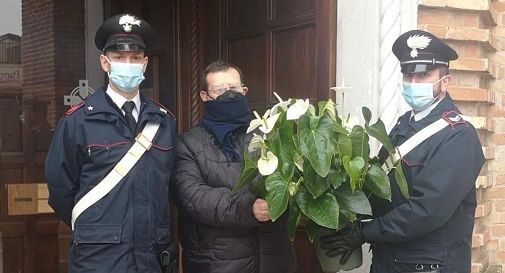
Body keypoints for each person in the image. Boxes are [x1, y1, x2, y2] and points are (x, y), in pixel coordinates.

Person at [321, 30, 485, 273]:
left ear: (445, 81)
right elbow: (383, 183)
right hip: (390, 259)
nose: (413, 83)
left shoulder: (459, 135)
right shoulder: (404, 124)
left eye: (423, 76)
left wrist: (365, 232)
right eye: (408, 75)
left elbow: (428, 210)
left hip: (429, 266)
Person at [45, 14, 177, 273]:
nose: (128, 63)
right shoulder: (77, 122)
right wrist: (97, 225)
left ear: (145, 64)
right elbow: (60, 191)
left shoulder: (164, 122)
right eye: (119, 57)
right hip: (98, 259)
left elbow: (169, 185)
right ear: (105, 63)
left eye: (135, 58)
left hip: (151, 258)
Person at [170, 60, 297, 273]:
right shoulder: (188, 143)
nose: (228, 95)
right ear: (204, 96)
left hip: (274, 259)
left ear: (244, 91)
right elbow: (192, 197)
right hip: (218, 263)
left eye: (234, 88)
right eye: (219, 90)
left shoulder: (269, 135)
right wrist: (247, 208)